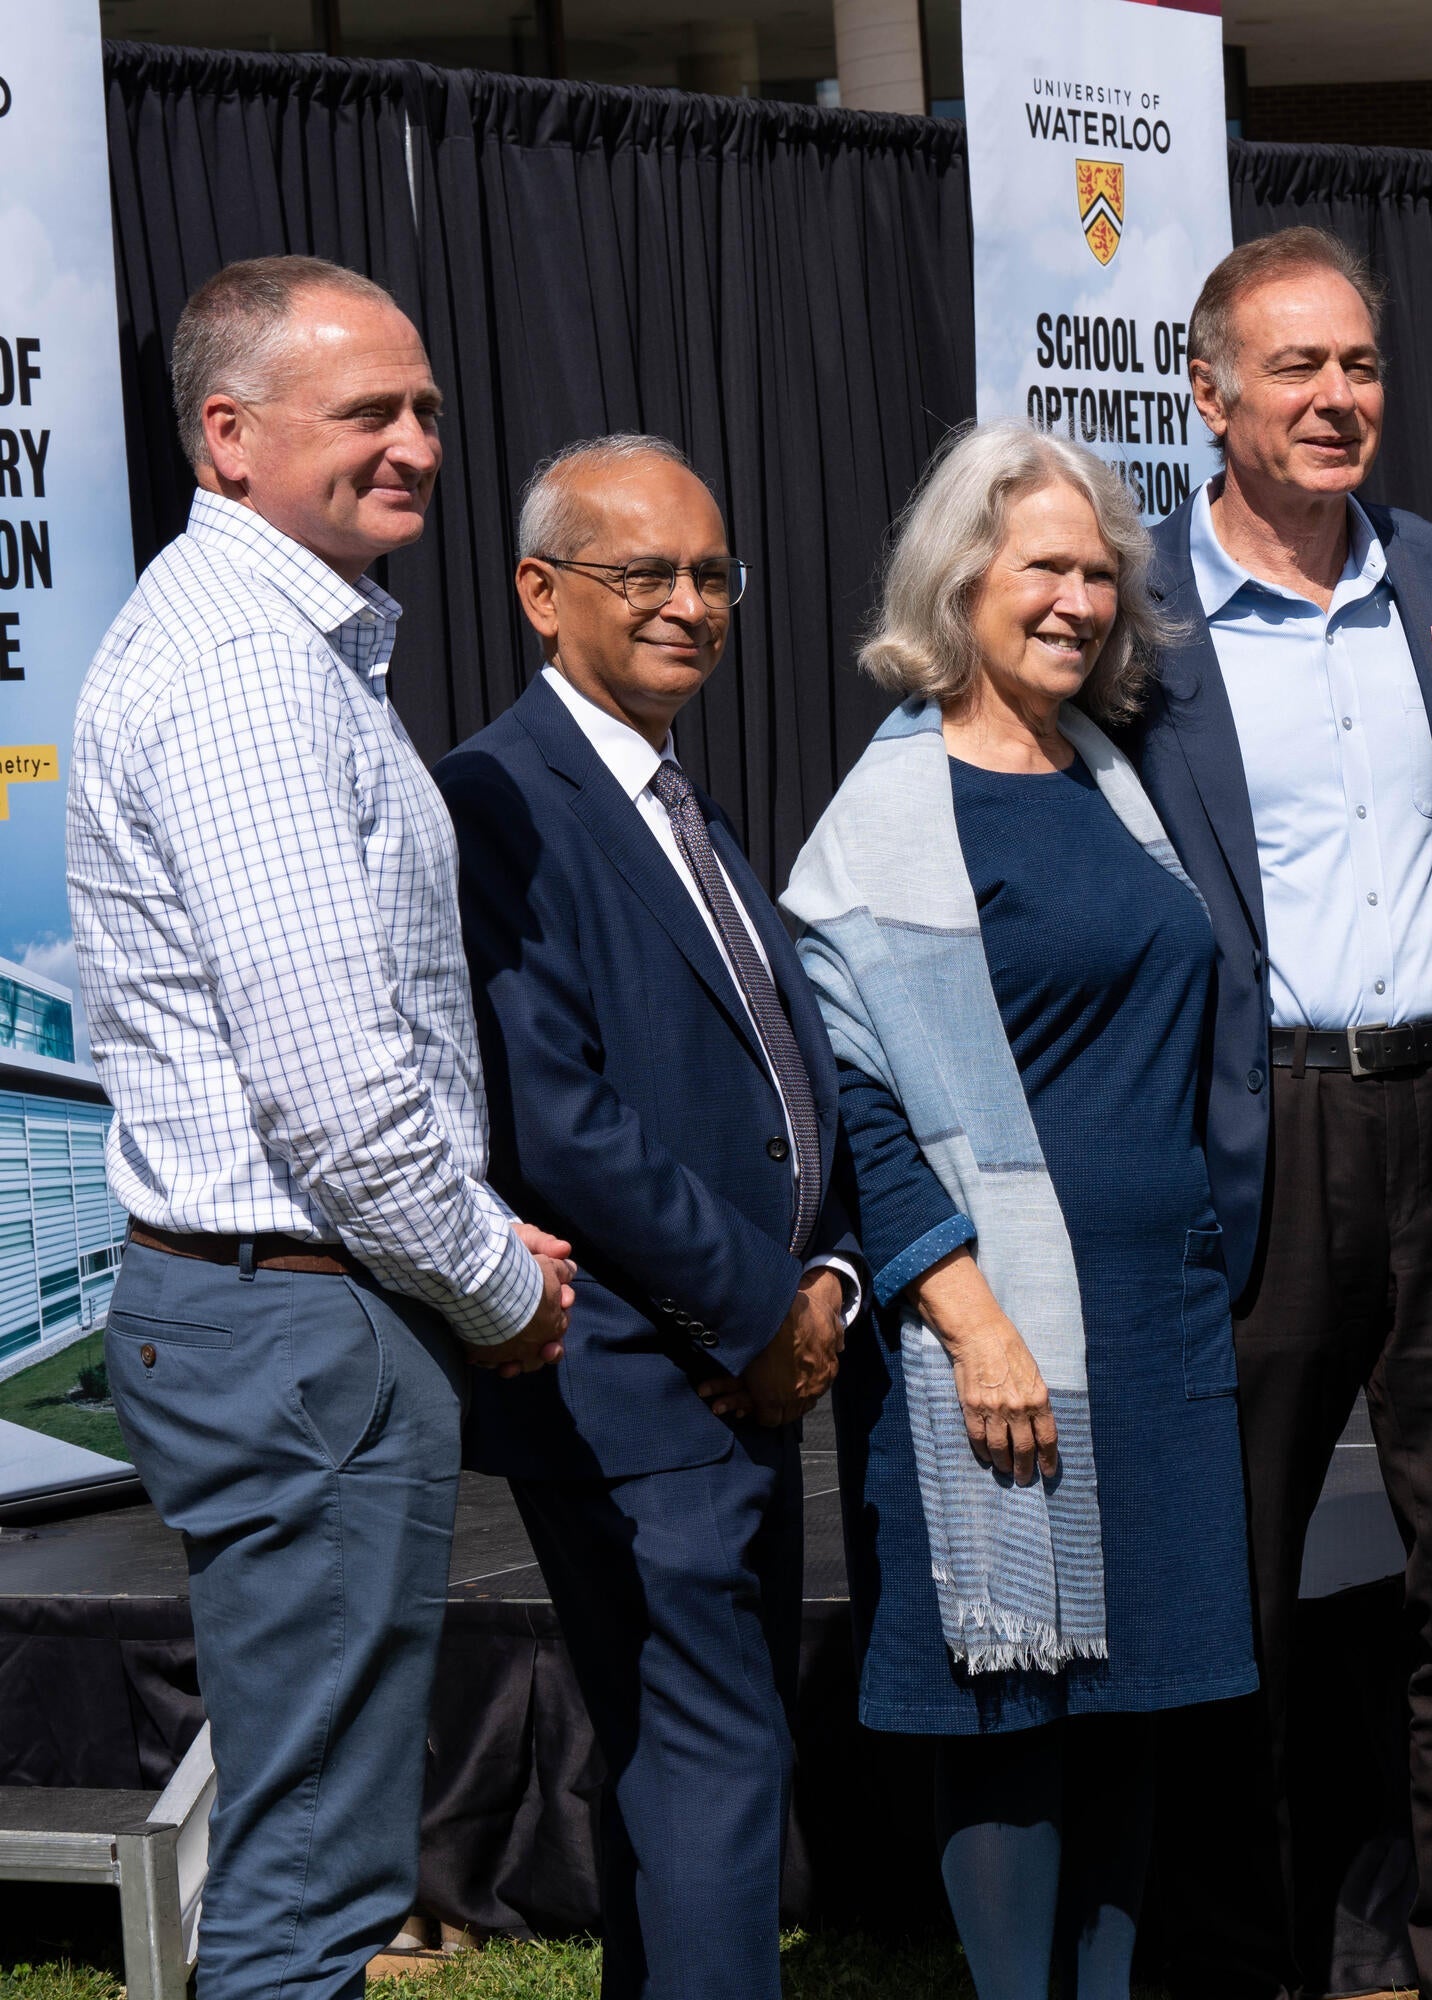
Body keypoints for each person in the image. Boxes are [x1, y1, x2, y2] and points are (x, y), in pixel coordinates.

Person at [65, 254, 575, 1997]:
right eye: (369, 410)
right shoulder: (247, 678)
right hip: (302, 1316)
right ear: (228, 436)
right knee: (314, 1882)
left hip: (294, 1308)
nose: (420, 441)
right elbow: (337, 1094)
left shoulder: (286, 647)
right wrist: (497, 1286)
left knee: (315, 1849)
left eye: (426, 404)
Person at [1127, 228, 1432, 2000]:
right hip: (1261, 1132)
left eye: (1359, 365)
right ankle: (1250, 1957)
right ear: (1210, 397)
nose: (1336, 400)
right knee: (1232, 1584)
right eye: (1295, 370)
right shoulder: (1131, 613)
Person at [785, 423, 1255, 2000]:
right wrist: (966, 1311)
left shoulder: (1116, 776)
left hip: (1155, 1320)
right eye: (1042, 566)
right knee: (1009, 1713)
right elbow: (856, 1104)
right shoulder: (888, 819)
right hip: (993, 1333)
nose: (1077, 598)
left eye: (1098, 570)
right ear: (961, 579)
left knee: (1128, 1695)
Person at [434, 435, 863, 1999]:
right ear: (543, 595)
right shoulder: (499, 799)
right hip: (641, 1378)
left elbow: (776, 1075)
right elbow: (555, 1117)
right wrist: (756, 1308)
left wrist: (825, 1277)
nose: (690, 604)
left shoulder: (675, 789)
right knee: (712, 1750)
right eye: (647, 575)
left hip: (745, 1359)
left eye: (712, 574)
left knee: (684, 1749)